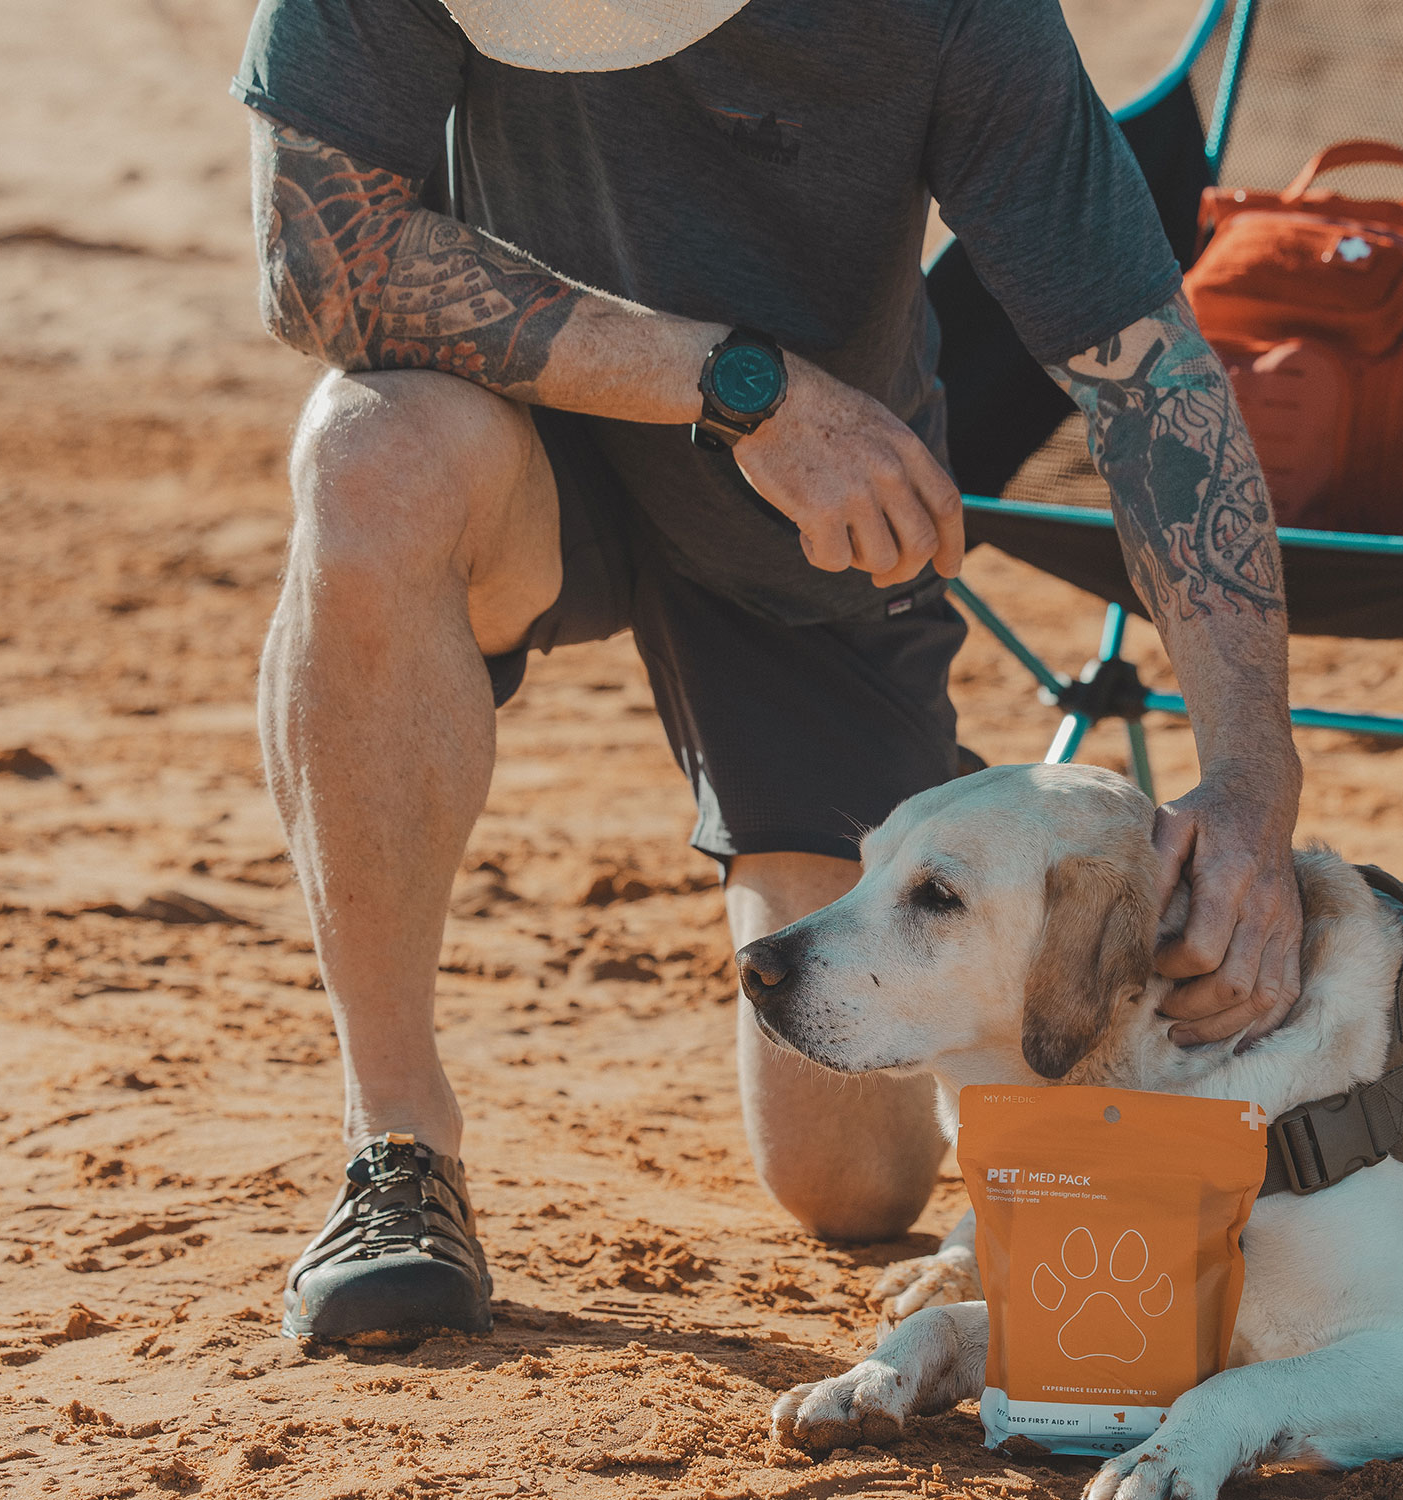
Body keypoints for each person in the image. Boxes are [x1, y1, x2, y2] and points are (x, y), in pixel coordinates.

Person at [232, 0, 1305, 1341]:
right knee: (366, 453)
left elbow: (1151, 389)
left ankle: (800, 857)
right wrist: (745, 389)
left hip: (814, 546)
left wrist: (1254, 786)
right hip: (528, 455)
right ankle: (395, 1145)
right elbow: (321, 269)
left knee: (852, 1183)